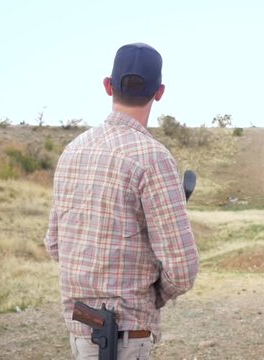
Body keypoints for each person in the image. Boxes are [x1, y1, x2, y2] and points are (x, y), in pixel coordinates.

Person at [44, 42, 199, 360]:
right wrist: (152, 295)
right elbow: (182, 269)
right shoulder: (153, 157)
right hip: (127, 336)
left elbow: (54, 245)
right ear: (160, 92)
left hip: (81, 328)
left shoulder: (72, 150)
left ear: (108, 86)